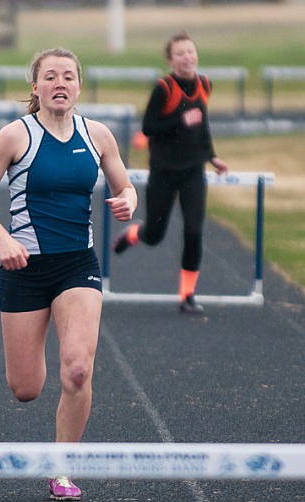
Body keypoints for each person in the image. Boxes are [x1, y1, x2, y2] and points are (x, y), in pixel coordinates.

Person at [0, 48, 136, 501]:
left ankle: (62, 469)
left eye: (68, 76)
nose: (60, 84)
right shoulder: (14, 136)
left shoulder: (97, 135)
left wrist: (128, 201)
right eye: (50, 77)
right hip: (24, 268)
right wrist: (3, 240)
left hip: (78, 265)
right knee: (26, 388)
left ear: (79, 85)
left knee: (78, 370)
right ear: (35, 86)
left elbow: (125, 184)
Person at [112, 32, 228, 314]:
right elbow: (149, 127)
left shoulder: (204, 85)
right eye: (180, 54)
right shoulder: (164, 88)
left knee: (193, 230)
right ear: (171, 60)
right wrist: (180, 120)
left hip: (193, 171)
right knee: (155, 235)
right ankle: (134, 234)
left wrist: (212, 156)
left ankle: (187, 295)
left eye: (190, 51)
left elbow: (202, 125)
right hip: (163, 172)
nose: (187, 57)